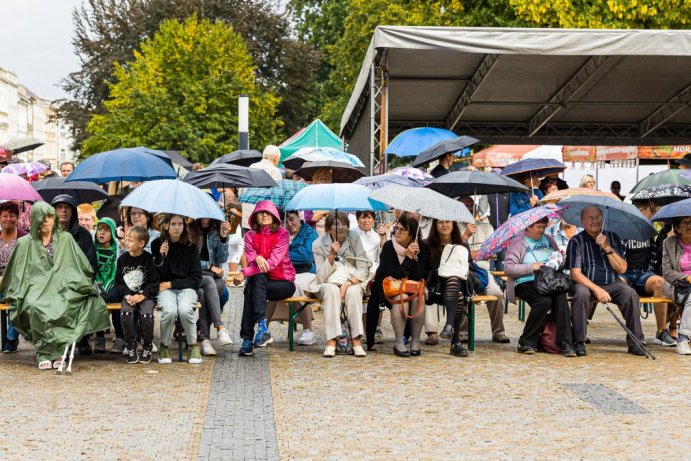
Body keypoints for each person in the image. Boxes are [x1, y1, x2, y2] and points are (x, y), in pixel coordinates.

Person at [0, 202, 110, 369]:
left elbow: (79, 266)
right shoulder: (24, 243)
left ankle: (57, 351)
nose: (46, 221)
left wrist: (70, 282)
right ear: (35, 219)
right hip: (34, 288)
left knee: (65, 304)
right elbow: (18, 273)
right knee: (34, 306)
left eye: (50, 217)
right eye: (42, 217)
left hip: (62, 286)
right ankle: (44, 351)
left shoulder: (65, 238)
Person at [566, 206, 646, 356]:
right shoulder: (577, 241)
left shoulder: (613, 237)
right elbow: (575, 274)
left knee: (630, 293)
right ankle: (579, 341)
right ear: (582, 221)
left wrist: (607, 247)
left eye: (598, 217)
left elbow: (622, 268)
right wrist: (597, 289)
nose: (595, 221)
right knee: (581, 295)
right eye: (590, 218)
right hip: (586, 284)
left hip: (612, 282)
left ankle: (636, 341)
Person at [230, 201, 296, 356]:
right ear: (255, 217)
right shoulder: (250, 236)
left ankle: (248, 339)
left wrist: (243, 273)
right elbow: (253, 259)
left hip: (283, 283)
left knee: (251, 288)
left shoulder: (282, 234)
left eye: (268, 213)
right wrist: (257, 258)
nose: (265, 215)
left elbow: (272, 263)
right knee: (254, 284)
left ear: (274, 216)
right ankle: (261, 328)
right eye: (261, 213)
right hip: (261, 282)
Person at [504, 217, 576, 356]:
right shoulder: (519, 242)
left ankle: (566, 342)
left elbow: (557, 262)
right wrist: (531, 267)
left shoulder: (549, 239)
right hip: (525, 281)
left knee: (560, 295)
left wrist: (560, 260)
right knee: (543, 301)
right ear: (529, 227)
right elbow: (508, 268)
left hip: (548, 280)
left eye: (544, 227)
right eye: (538, 227)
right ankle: (526, 341)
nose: (542, 230)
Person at [367, 214, 428, 356]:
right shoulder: (389, 246)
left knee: (418, 297)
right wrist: (408, 258)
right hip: (387, 287)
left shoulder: (422, 247)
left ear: (412, 234)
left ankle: (416, 341)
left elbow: (419, 276)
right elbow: (393, 276)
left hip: (411, 287)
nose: (397, 232)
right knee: (402, 297)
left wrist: (415, 258)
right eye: (396, 229)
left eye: (402, 230)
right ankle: (399, 342)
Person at [311, 212, 369, 357]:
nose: (341, 227)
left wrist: (349, 283)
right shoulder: (318, 244)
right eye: (336, 224)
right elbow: (320, 276)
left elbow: (363, 265)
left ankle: (356, 341)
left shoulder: (354, 237)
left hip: (352, 279)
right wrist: (330, 255)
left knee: (354, 293)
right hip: (329, 281)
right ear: (329, 227)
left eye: (344, 224)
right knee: (331, 292)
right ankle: (331, 341)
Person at [620, 200, 677, 347]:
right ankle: (635, 331)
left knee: (660, 283)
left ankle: (661, 332)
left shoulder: (648, 230)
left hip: (642, 274)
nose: (653, 214)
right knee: (621, 287)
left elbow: (654, 254)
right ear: (641, 211)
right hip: (624, 273)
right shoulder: (621, 231)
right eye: (651, 211)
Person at [151, 214, 203, 364]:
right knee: (170, 310)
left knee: (186, 310)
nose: (177, 227)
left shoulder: (191, 247)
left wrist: (172, 284)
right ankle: (165, 346)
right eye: (173, 224)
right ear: (166, 225)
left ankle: (193, 345)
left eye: (180, 224)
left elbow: (196, 278)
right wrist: (162, 257)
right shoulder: (157, 244)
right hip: (165, 289)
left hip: (186, 288)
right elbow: (156, 275)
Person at [266, 210, 318, 346]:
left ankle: (308, 330)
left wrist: (282, 254)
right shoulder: (279, 234)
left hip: (307, 273)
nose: (289, 224)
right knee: (273, 287)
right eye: (286, 220)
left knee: (295, 285)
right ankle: (263, 330)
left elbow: (306, 256)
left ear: (299, 218)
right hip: (283, 273)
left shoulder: (309, 232)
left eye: (292, 219)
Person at [424, 219, 472, 357]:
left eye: (448, 222)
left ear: (453, 224)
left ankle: (449, 325)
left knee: (455, 281)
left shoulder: (462, 245)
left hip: (458, 287)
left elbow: (470, 266)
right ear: (435, 225)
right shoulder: (426, 245)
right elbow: (423, 271)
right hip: (437, 289)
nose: (444, 225)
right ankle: (455, 342)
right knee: (458, 293)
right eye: (440, 222)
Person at [115, 226, 159, 364]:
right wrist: (127, 295)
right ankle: (131, 345)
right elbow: (119, 282)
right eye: (125, 239)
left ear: (141, 243)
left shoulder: (149, 259)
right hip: (129, 296)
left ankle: (147, 346)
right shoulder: (122, 260)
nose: (126, 243)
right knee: (126, 314)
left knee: (146, 315)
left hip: (145, 297)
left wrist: (142, 295)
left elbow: (154, 282)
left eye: (130, 240)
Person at [193, 218, 233, 356]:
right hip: (196, 276)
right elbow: (190, 260)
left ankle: (205, 340)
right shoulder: (191, 230)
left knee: (211, 290)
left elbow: (223, 258)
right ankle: (217, 330)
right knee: (204, 292)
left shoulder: (217, 229)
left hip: (214, 277)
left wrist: (223, 238)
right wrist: (210, 266)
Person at [93, 217, 125, 354]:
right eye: (100, 229)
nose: (102, 233)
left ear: (112, 232)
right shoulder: (92, 248)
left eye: (106, 230)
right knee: (97, 299)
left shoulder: (118, 248)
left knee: (114, 297)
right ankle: (99, 337)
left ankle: (120, 337)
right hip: (97, 282)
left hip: (114, 281)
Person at [661, 216, 691, 355]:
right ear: (677, 227)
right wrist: (686, 277)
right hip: (675, 284)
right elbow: (666, 272)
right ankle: (683, 339)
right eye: (685, 223)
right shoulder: (669, 243)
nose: (689, 226)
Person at [355, 211, 387, 343]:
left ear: (373, 219)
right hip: (357, 268)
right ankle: (363, 328)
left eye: (369, 217)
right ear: (358, 219)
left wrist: (383, 238)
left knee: (379, 286)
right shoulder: (352, 234)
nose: (366, 220)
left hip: (373, 269)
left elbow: (383, 256)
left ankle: (377, 328)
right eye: (363, 217)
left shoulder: (377, 235)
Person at [0, 202, 26, 353]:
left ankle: (11, 339)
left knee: (17, 300)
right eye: (4, 216)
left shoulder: (24, 237)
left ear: (18, 217)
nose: (8, 219)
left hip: (17, 281)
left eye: (12, 215)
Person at [52, 194, 98, 274]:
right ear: (54, 211)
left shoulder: (84, 234)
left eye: (67, 207)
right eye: (60, 207)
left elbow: (92, 265)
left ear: (73, 211)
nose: (63, 210)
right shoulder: (47, 233)